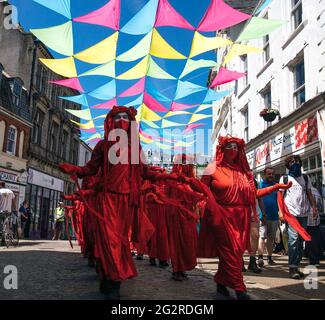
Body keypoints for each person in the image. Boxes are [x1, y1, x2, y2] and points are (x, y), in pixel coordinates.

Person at [59, 106, 180, 300]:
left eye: (125, 117)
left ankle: (110, 279)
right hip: (107, 200)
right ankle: (113, 281)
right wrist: (74, 169)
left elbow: (144, 172)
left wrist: (169, 176)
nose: (121, 120)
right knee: (110, 241)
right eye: (117, 117)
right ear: (110, 121)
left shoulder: (135, 148)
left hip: (126, 203)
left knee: (120, 242)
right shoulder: (102, 146)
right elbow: (90, 169)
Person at [188, 136, 292, 300]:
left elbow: (253, 195)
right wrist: (207, 209)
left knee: (236, 253)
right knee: (230, 252)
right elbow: (200, 193)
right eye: (229, 146)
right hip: (221, 217)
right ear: (222, 149)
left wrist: (276, 187)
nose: (233, 150)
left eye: (236, 147)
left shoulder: (245, 173)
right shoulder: (212, 168)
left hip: (241, 219)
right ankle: (239, 288)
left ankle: (221, 282)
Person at [279, 155, 317, 279]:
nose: (294, 163)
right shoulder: (285, 178)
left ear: (300, 163)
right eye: (291, 162)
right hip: (291, 214)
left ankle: (297, 265)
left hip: (304, 214)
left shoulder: (305, 178)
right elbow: (280, 196)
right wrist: (280, 212)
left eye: (296, 161)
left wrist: (314, 208)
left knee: (301, 241)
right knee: (293, 239)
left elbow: (309, 194)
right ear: (287, 165)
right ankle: (292, 268)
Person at [258, 167, 280, 267]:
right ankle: (260, 257)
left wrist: (280, 213)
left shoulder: (276, 186)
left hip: (274, 216)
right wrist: (261, 214)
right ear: (264, 175)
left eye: (272, 174)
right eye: (269, 174)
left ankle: (270, 257)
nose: (271, 175)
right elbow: (258, 200)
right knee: (262, 236)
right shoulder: (260, 185)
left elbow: (280, 201)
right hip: (263, 216)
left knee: (271, 238)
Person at [305, 186, 322, 267]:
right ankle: (315, 260)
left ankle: (298, 260)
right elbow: (320, 205)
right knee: (315, 240)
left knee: (305, 240)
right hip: (315, 219)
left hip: (304, 218)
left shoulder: (302, 190)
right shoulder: (315, 190)